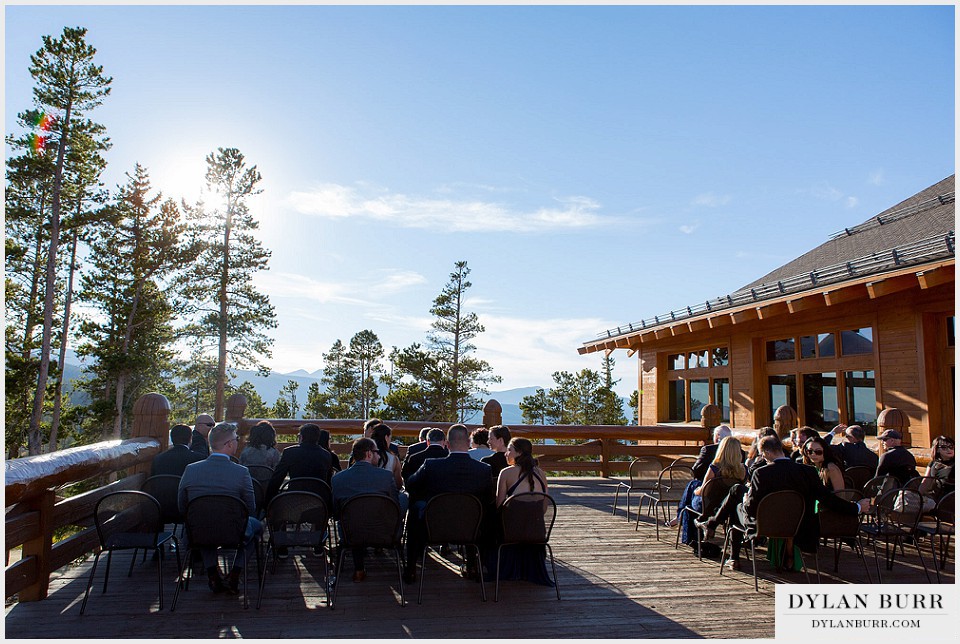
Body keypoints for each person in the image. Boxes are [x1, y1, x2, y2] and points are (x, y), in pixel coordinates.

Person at [698, 435, 869, 571]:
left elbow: (751, 508)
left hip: (766, 526)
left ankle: (730, 552)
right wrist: (857, 507)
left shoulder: (761, 473)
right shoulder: (808, 472)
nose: (763, 458)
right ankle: (714, 526)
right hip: (798, 525)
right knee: (736, 490)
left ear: (768, 452)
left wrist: (745, 500)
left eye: (763, 454)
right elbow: (828, 498)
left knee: (737, 503)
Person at [177, 423, 263, 594]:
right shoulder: (241, 472)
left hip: (198, 532)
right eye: (237, 439)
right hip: (234, 531)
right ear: (230, 444)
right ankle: (235, 573)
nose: (238, 442)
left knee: (204, 523)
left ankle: (212, 573)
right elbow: (250, 507)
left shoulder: (191, 469)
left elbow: (182, 505)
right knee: (257, 528)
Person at [403, 425, 494, 583]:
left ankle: (411, 568)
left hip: (434, 526)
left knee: (414, 511)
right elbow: (488, 499)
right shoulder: (483, 470)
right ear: (468, 442)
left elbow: (410, 485)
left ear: (448, 444)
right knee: (476, 512)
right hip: (470, 528)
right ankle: (472, 565)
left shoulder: (431, 466)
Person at [331, 438, 406, 582]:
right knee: (403, 499)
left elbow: (336, 513)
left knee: (357, 519)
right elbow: (395, 507)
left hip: (351, 534)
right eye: (377, 452)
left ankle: (358, 570)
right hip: (384, 532)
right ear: (369, 454)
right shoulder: (385, 476)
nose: (379, 456)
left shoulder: (338, 479)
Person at [491, 437, 554, 586]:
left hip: (511, 532)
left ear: (518, 453)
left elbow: (500, 506)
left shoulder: (506, 473)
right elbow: (544, 507)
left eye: (509, 450)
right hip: (536, 532)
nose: (506, 454)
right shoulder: (541, 474)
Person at [266, 423, 335, 501]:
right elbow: (328, 482)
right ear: (317, 438)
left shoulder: (290, 452)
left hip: (294, 498)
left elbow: (277, 478)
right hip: (318, 500)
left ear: (301, 437)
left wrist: (269, 501)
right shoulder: (326, 455)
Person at [920, 435, 954, 499]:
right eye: (944, 447)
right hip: (936, 498)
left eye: (951, 447)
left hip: (950, 499)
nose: (949, 450)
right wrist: (919, 495)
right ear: (937, 449)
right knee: (905, 495)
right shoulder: (933, 463)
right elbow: (926, 481)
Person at [371, 423, 403, 489]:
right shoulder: (393, 459)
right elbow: (398, 484)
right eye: (390, 438)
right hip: (386, 496)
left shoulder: (366, 455)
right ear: (386, 437)